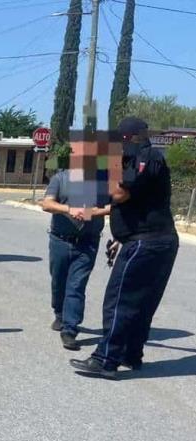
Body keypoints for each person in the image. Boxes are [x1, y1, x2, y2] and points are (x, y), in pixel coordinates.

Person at [70, 117, 179, 379]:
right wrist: (121, 234)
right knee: (142, 302)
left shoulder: (145, 157)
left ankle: (106, 358)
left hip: (146, 242)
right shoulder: (145, 157)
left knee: (120, 301)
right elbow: (138, 204)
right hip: (154, 240)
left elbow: (119, 194)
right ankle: (131, 353)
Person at [42, 159, 110, 351]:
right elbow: (47, 204)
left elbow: (114, 206)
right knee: (58, 281)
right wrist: (69, 209)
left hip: (87, 244)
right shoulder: (60, 179)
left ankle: (70, 329)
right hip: (60, 241)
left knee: (76, 286)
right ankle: (59, 313)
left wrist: (95, 212)